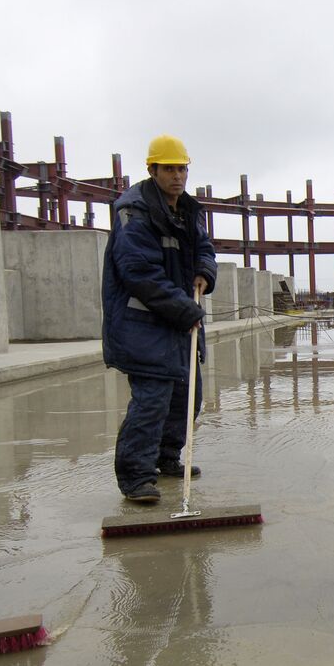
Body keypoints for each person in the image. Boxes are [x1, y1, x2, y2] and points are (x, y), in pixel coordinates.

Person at [102, 134, 217, 504]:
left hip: (180, 322)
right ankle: (136, 476)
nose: (177, 176)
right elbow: (139, 272)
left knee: (187, 396)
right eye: (169, 169)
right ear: (152, 170)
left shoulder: (187, 210)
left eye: (182, 168)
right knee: (152, 401)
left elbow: (204, 247)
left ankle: (167, 458)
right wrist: (185, 310)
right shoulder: (133, 212)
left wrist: (204, 270)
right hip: (144, 324)